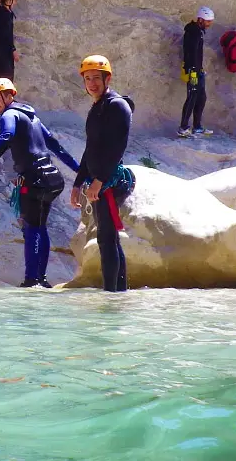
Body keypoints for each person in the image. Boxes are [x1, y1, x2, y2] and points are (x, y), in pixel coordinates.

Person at [0, 79, 79, 288]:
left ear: (9, 96)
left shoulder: (10, 115)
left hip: (34, 179)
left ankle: (31, 280)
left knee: (31, 228)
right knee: (40, 226)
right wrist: (78, 170)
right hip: (53, 179)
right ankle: (42, 279)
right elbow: (54, 144)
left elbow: (6, 136)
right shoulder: (32, 117)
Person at [70, 55, 135, 293]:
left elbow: (117, 147)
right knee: (108, 239)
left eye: (96, 78)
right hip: (98, 180)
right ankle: (118, 292)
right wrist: (78, 184)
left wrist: (99, 181)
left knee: (106, 239)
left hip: (110, 181)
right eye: (87, 79)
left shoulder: (117, 105)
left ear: (107, 78)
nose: (91, 83)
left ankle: (111, 296)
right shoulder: (97, 107)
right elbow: (91, 148)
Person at [178, 6, 215, 138]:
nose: (209, 23)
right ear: (200, 19)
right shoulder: (193, 32)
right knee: (192, 97)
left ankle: (197, 127)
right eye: (207, 21)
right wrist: (193, 70)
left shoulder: (199, 31)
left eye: (210, 21)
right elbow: (190, 52)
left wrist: (200, 69)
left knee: (201, 97)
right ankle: (183, 128)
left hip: (198, 70)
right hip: (192, 70)